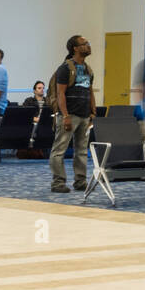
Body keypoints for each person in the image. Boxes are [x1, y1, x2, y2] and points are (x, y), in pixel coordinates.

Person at [49, 35, 95, 194]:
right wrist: (65, 116)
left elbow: (90, 91)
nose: (88, 46)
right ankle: (58, 182)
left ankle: (80, 181)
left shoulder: (88, 69)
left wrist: (92, 112)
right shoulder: (65, 68)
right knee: (59, 150)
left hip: (84, 116)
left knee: (82, 151)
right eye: (85, 44)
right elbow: (60, 93)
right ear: (75, 48)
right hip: (69, 115)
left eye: (88, 43)